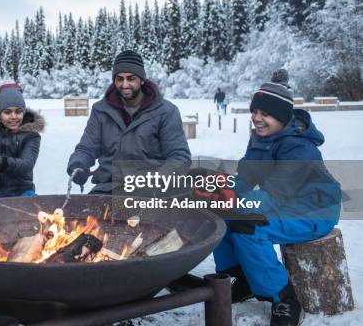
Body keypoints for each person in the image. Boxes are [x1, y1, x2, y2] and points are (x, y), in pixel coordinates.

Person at [209, 70, 341, 326]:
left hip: (313, 209)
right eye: (254, 112)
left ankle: (285, 299)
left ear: (282, 116)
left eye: (265, 114)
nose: (257, 118)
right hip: (282, 201)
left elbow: (275, 195)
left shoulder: (300, 147)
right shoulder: (261, 138)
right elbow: (246, 178)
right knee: (219, 216)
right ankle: (240, 280)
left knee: (248, 227)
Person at [66, 50, 191, 195]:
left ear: (142, 80)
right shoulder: (100, 110)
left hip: (153, 192)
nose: (125, 84)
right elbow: (86, 148)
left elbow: (179, 156)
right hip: (108, 189)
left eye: (131, 78)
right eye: (119, 79)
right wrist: (78, 164)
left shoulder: (166, 112)